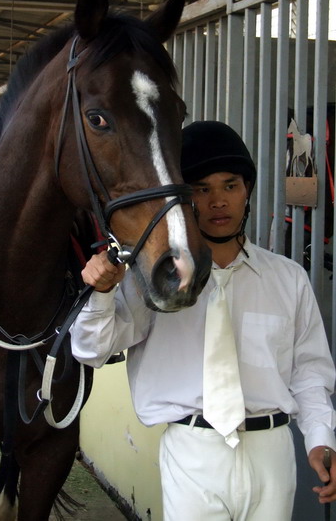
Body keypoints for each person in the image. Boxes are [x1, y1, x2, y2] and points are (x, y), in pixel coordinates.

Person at [71, 120, 336, 520]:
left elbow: (310, 373)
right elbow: (90, 350)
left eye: (230, 185)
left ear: (247, 191)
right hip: (192, 453)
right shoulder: (156, 283)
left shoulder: (287, 279)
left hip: (273, 455)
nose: (218, 201)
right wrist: (102, 291)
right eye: (202, 188)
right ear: (182, 196)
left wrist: (320, 438)